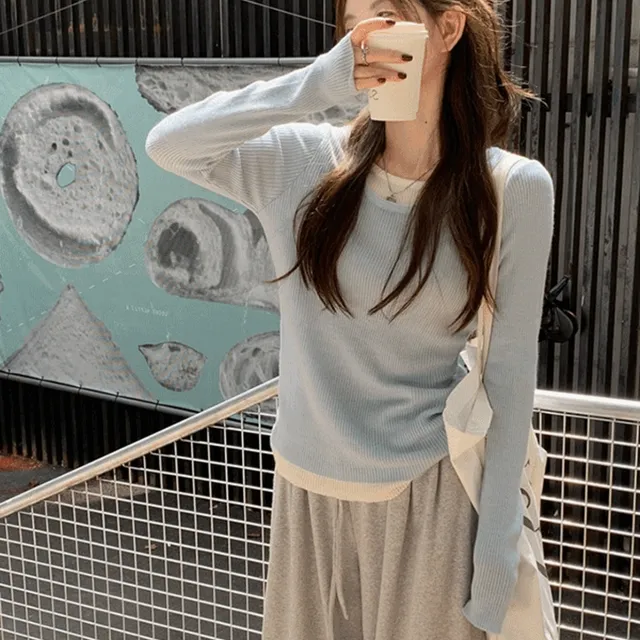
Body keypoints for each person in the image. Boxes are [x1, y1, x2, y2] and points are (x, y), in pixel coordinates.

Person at [146, 0, 554, 638]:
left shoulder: (510, 188)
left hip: (430, 505)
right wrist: (318, 82)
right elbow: (169, 144)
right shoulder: (304, 162)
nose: (366, 37)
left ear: (447, 29)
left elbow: (507, 381)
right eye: (352, 24)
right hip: (305, 498)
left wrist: (496, 558)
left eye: (386, 15)